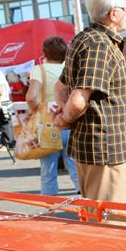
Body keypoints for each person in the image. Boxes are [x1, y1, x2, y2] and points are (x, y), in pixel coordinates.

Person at [53, 0, 126, 205]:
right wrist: (65, 118)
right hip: (106, 153)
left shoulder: (85, 39)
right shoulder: (100, 44)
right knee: (110, 224)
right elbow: (79, 98)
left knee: (100, 219)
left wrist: (64, 114)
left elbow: (60, 87)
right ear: (114, 13)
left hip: (100, 150)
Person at [26, 36, 80, 196]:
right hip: (69, 119)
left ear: (45, 53)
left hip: (48, 123)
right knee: (75, 164)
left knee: (48, 169)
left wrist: (37, 110)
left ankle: (50, 206)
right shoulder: (69, 68)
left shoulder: (39, 70)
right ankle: (86, 199)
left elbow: (31, 97)